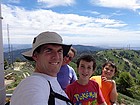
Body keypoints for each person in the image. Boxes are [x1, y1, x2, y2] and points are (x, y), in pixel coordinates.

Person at [10, 31, 73, 105]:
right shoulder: (33, 84)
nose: (56, 57)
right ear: (36, 56)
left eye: (59, 51)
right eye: (49, 51)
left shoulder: (48, 81)